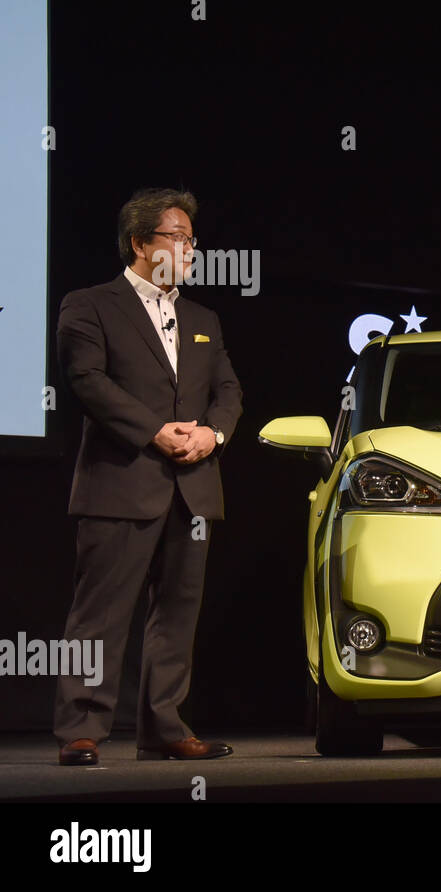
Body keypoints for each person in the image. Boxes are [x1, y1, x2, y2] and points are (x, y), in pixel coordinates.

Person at [52, 188, 242, 764]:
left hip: (193, 487)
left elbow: (228, 390)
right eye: (177, 237)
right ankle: (81, 729)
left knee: (177, 616)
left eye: (192, 239)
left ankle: (163, 727)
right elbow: (87, 381)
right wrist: (155, 430)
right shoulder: (89, 305)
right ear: (140, 243)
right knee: (100, 616)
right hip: (120, 482)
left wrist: (213, 433)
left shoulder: (204, 318)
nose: (190, 248)